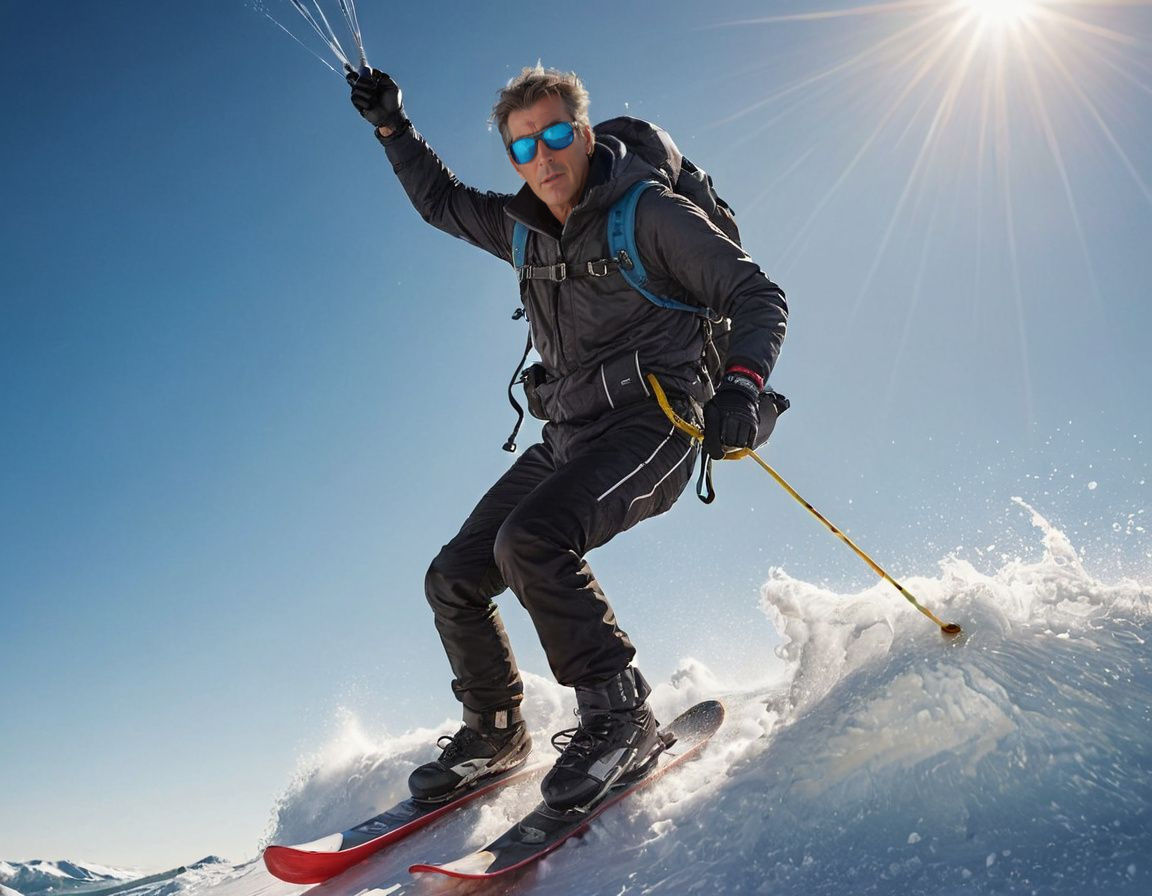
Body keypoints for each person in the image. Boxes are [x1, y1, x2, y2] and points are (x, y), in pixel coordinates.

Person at [347, 64, 787, 812]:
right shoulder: (520, 230)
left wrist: (742, 385)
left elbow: (755, 293)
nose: (543, 158)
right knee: (454, 576)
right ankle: (494, 733)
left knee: (532, 541)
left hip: (658, 421)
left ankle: (620, 717)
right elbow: (441, 203)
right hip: (571, 433)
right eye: (524, 147)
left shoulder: (646, 213)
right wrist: (394, 127)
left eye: (555, 135)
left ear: (582, 134)